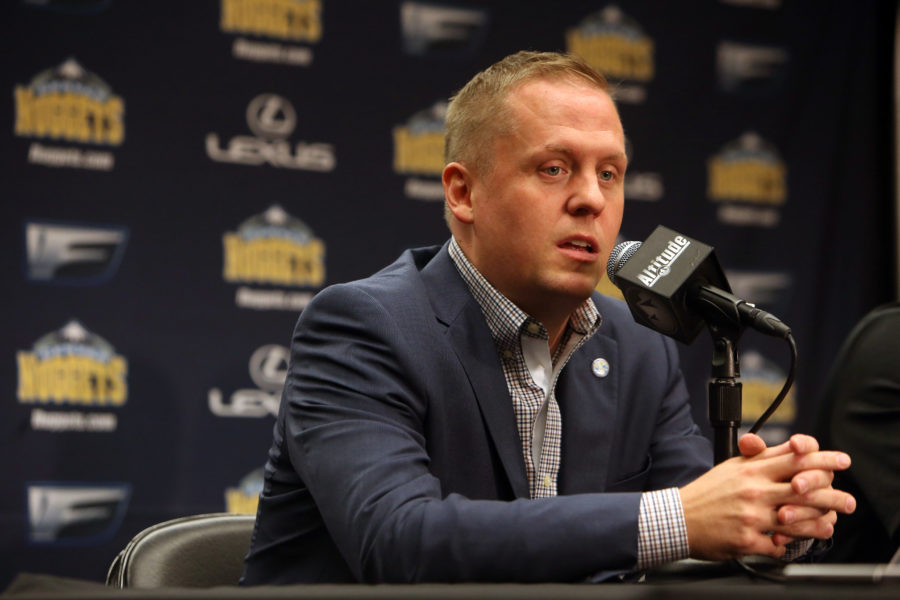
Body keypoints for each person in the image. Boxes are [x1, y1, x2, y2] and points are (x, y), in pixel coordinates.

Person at [241, 50, 855, 584]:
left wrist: (775, 512)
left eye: (609, 173)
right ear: (463, 193)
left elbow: (700, 511)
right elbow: (399, 540)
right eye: (554, 168)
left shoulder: (638, 348)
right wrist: (677, 518)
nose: (591, 198)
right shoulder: (363, 327)